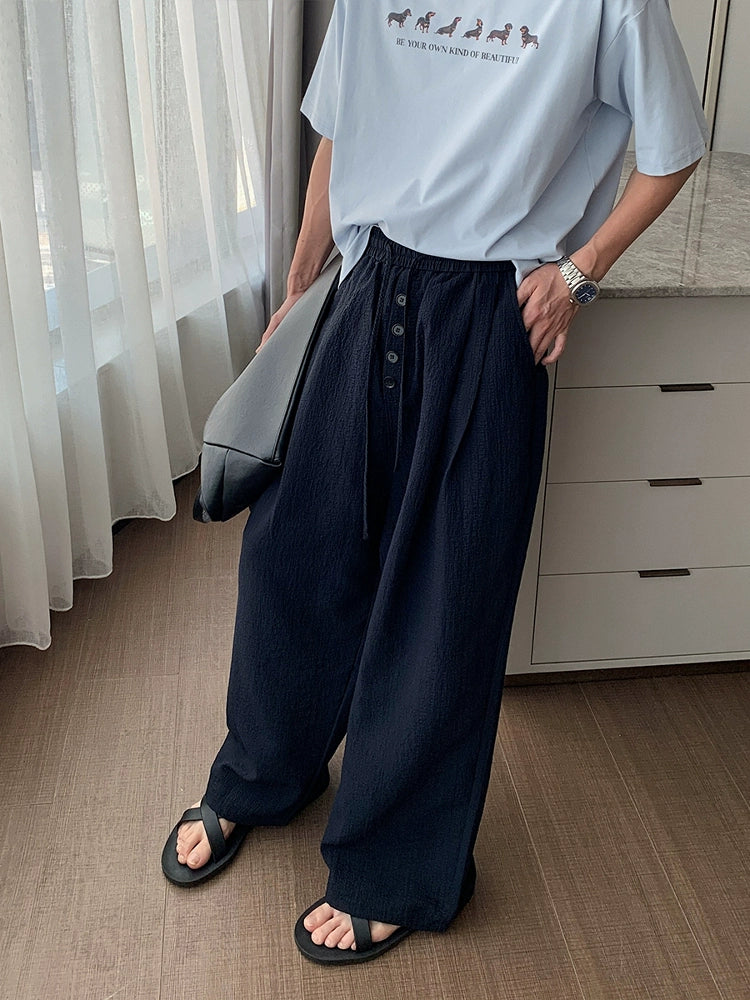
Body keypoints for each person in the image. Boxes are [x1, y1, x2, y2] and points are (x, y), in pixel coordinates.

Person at [162, 0, 710, 966]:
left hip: (489, 308)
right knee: (293, 551)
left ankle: (397, 864)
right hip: (367, 281)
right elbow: (342, 128)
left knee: (443, 601)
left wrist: (579, 275)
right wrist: (302, 282)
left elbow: (672, 150)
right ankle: (264, 770)